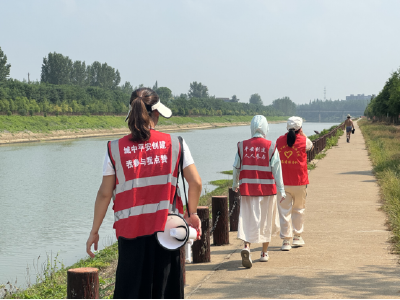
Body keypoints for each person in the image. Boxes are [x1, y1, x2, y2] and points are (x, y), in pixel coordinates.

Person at [86, 88, 202, 299]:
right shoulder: (176, 145)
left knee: (131, 292)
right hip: (167, 233)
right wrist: (192, 213)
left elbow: (104, 194)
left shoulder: (115, 149)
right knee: (166, 291)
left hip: (130, 236)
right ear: (156, 114)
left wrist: (94, 231)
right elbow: (195, 183)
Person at [232, 115, 286, 268]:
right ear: (266, 128)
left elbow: (236, 167)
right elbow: (277, 170)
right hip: (267, 191)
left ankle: (246, 247)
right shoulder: (271, 146)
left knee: (247, 219)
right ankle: (264, 253)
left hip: (248, 190)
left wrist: (234, 184)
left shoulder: (242, 146)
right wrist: (281, 190)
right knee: (266, 221)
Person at [276, 116, 313, 251]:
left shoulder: (279, 141)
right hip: (300, 182)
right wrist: (303, 134)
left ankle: (286, 240)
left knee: (284, 211)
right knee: (298, 209)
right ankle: (297, 237)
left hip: (283, 183)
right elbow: (311, 146)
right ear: (300, 128)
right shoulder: (304, 141)